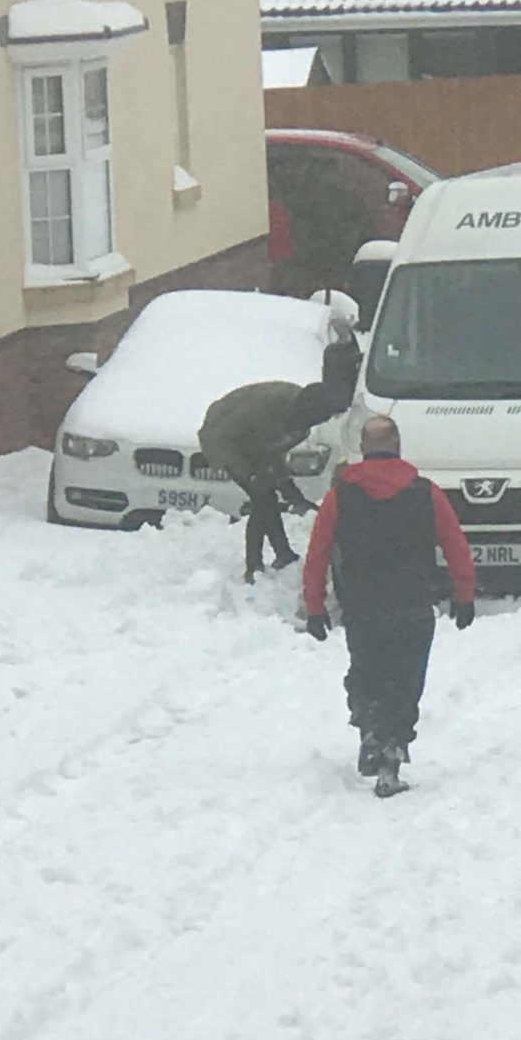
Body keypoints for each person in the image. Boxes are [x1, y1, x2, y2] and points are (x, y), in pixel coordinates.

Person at [302, 415, 477, 799]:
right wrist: (464, 594)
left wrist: (315, 605)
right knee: (405, 680)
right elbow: (455, 545)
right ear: (398, 445)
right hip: (412, 605)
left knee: (366, 671)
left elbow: (318, 552)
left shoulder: (340, 497)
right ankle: (391, 756)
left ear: (364, 449)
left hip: (363, 607)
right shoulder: (425, 493)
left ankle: (370, 726)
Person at [197, 323, 362, 583]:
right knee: (262, 499)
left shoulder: (301, 424)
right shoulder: (269, 410)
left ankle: (282, 553)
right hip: (222, 437)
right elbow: (226, 439)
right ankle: (253, 566)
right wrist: (248, 475)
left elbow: (271, 453)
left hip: (250, 441)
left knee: (267, 495)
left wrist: (290, 491)